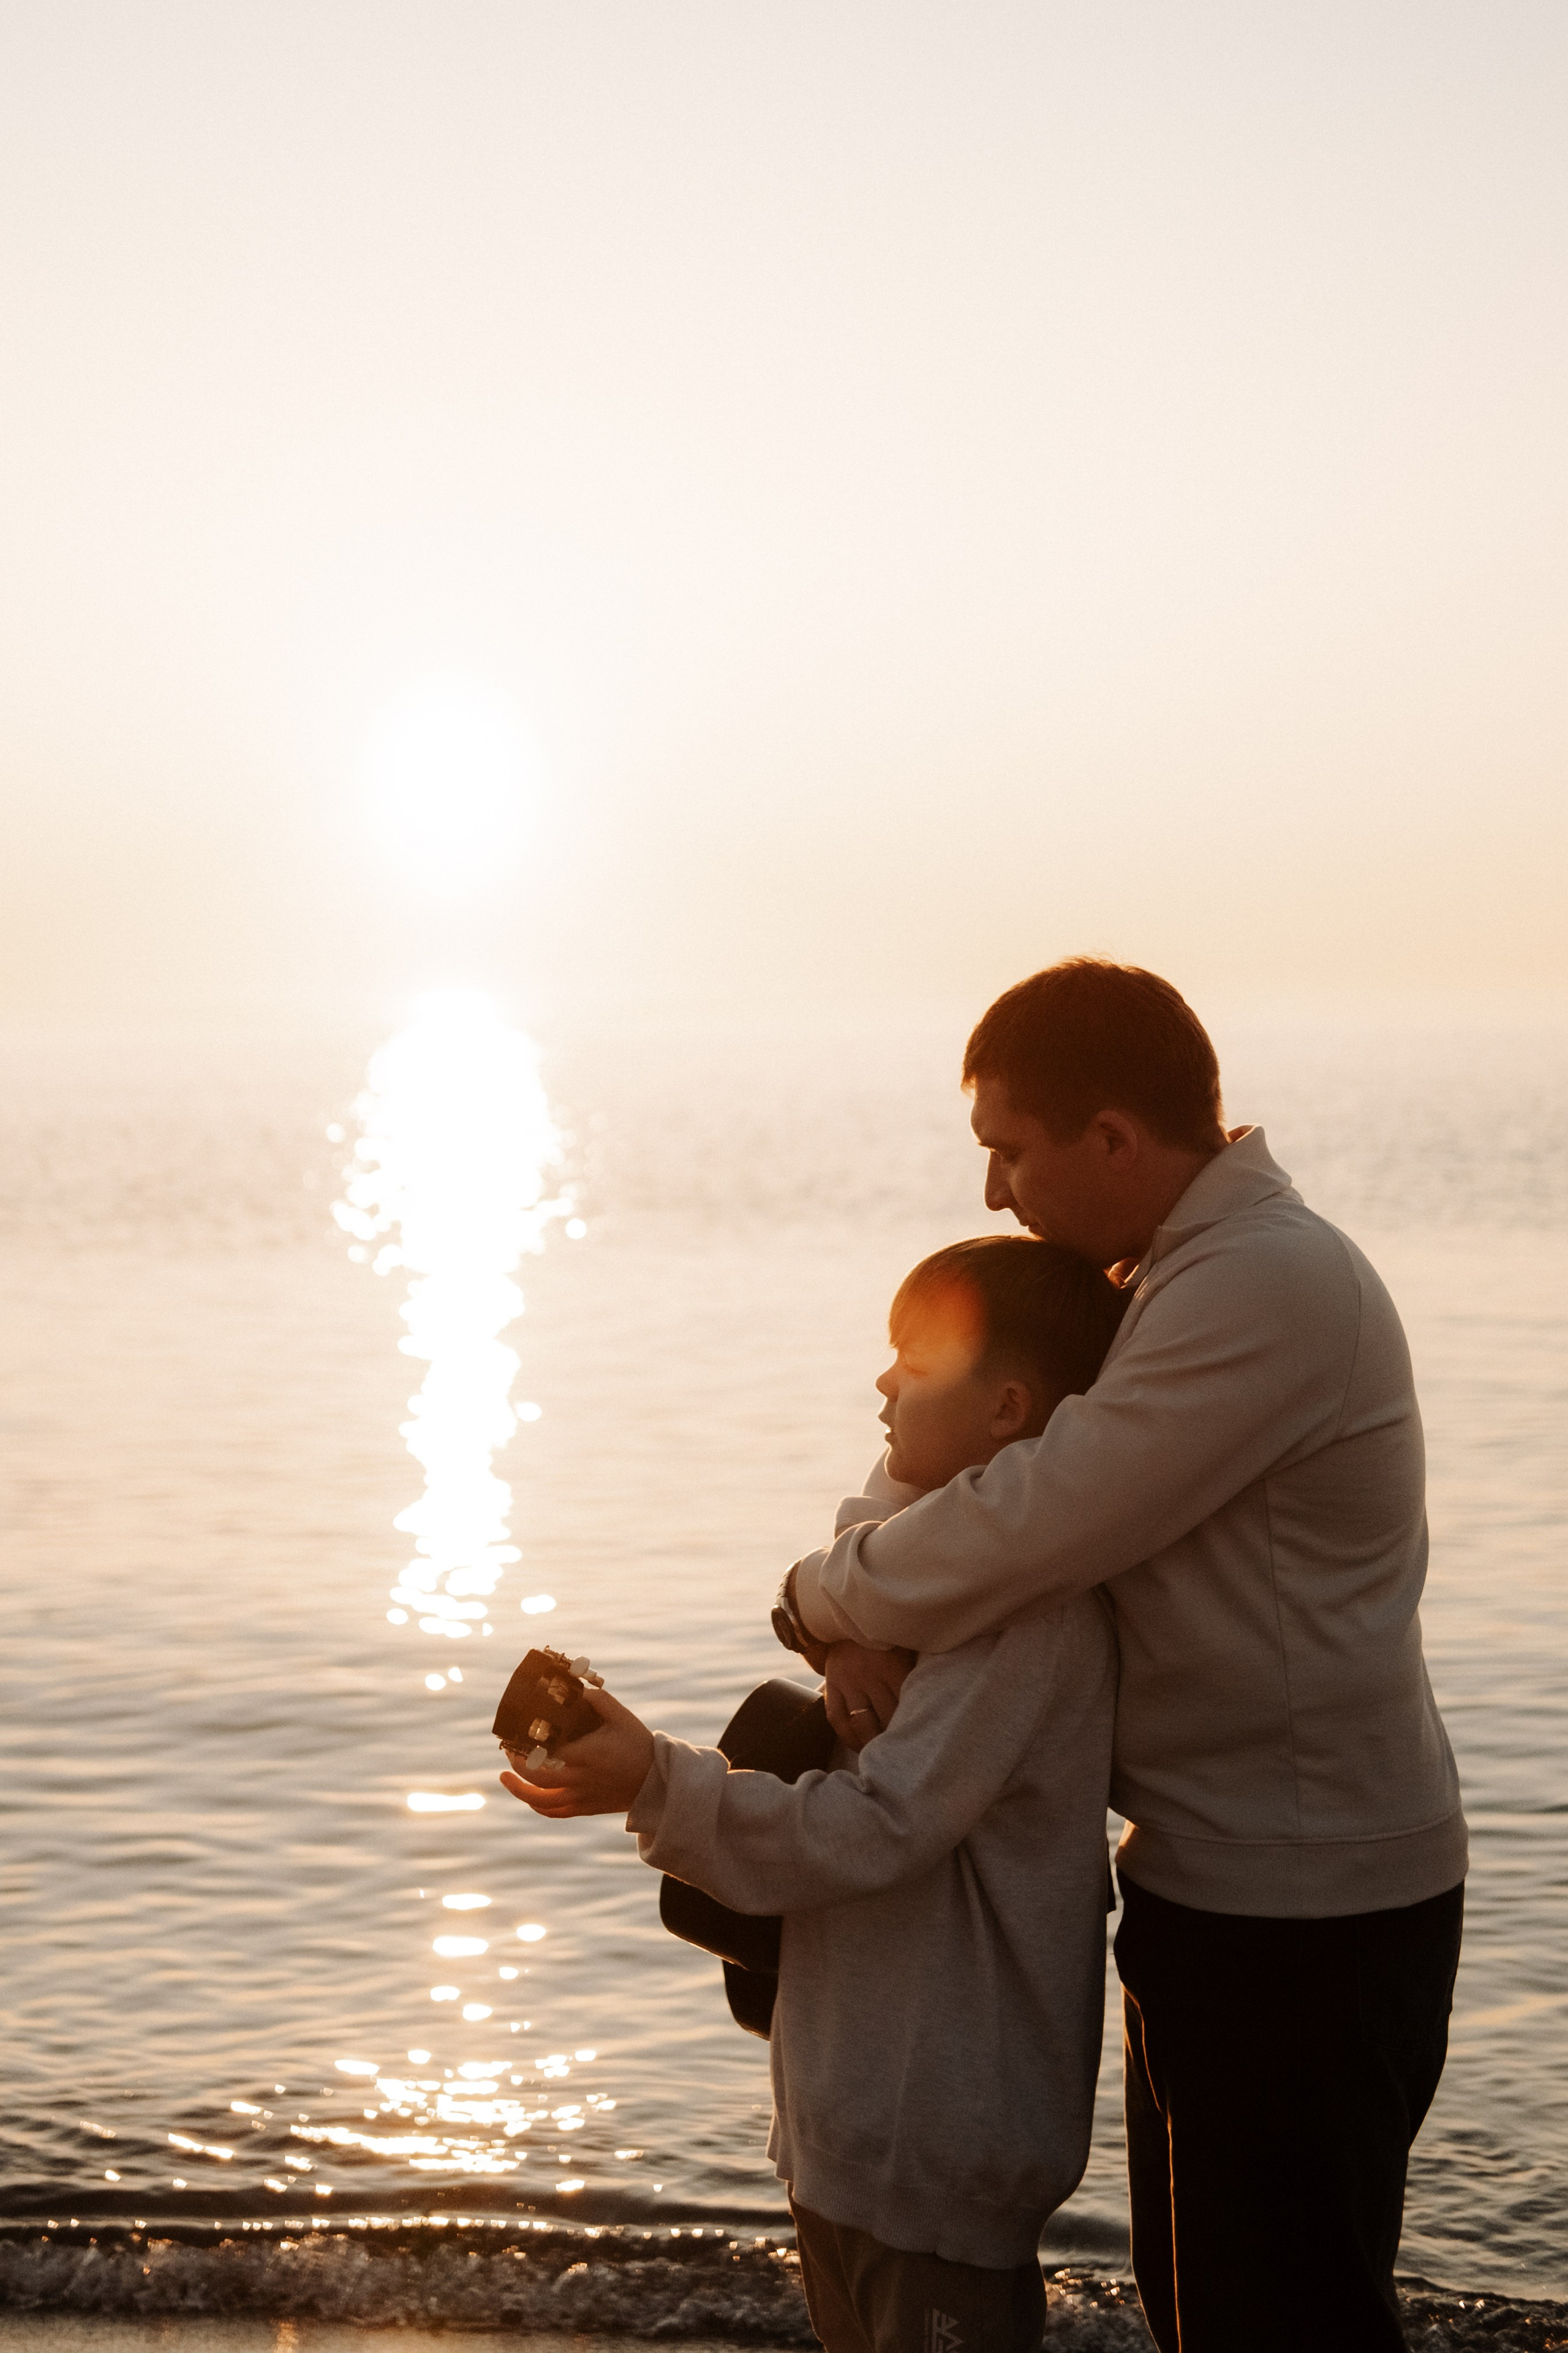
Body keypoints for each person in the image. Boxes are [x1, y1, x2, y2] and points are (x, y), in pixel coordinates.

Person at [773, 957, 1467, 2353]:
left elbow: (1032, 1519)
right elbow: (952, 1466)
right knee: (1207, 2309)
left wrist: (819, 1595)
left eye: (1008, 1151)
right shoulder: (1152, 1284)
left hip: (1308, 1909)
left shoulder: (1263, 1283)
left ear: (1108, 1136)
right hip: (1212, 1883)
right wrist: (840, 1618)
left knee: (1278, 2325)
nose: (991, 1193)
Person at [502, 1233, 1128, 2353]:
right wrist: (832, 1636)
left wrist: (656, 1779)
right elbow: (856, 1567)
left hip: (941, 2151)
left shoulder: (1028, 1618)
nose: (883, 1383)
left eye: (917, 1361)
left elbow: (876, 1830)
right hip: (850, 2133)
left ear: (1008, 1408)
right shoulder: (896, 1586)